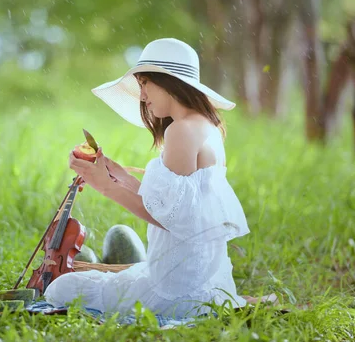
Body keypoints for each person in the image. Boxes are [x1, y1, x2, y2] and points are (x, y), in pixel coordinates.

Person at [43, 38, 256, 319]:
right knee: (104, 280)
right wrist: (120, 177)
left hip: (173, 292)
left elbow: (169, 219)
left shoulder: (180, 131)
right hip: (206, 283)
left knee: (59, 290)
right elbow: (180, 206)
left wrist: (104, 186)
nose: (142, 96)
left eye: (144, 84)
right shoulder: (208, 127)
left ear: (168, 81)